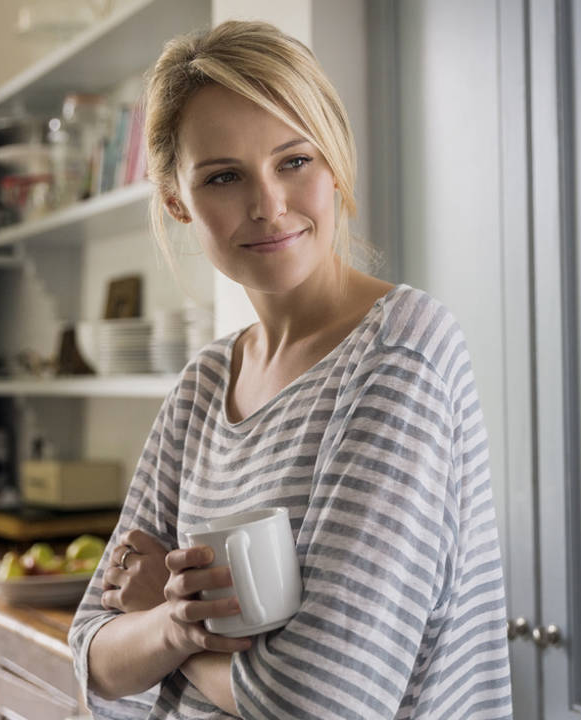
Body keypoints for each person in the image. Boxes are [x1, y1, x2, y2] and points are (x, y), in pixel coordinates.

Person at [68, 19, 514, 719]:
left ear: (335, 160)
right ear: (178, 200)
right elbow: (93, 659)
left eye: (295, 160)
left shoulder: (400, 353)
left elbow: (320, 703)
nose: (268, 205)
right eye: (223, 176)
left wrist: (163, 630)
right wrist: (175, 625)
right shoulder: (205, 385)